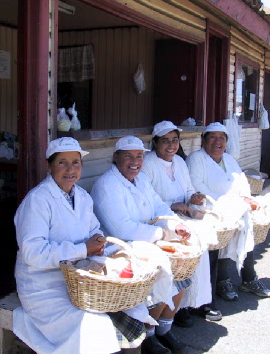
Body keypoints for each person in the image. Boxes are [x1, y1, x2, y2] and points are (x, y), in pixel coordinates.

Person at [13, 137, 146, 354]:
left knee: (133, 307)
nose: (70, 169)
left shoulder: (82, 197)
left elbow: (95, 232)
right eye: (62, 162)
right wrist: (83, 249)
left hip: (80, 279)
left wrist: (107, 247)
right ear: (49, 166)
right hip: (44, 286)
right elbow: (32, 253)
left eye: (76, 162)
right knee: (95, 325)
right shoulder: (37, 200)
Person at [91, 135, 192, 354]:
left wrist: (175, 225)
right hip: (119, 249)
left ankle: (163, 330)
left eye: (139, 156)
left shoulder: (141, 179)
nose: (135, 161)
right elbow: (122, 229)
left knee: (181, 266)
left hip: (145, 241)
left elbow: (158, 206)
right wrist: (162, 233)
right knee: (161, 267)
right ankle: (147, 337)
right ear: (116, 158)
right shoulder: (107, 185)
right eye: (128, 156)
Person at [186, 122, 270, 314]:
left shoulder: (229, 160)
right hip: (208, 210)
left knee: (245, 226)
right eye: (213, 137)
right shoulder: (196, 159)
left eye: (222, 138)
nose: (218, 142)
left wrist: (245, 199)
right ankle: (222, 281)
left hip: (232, 209)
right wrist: (228, 204)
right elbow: (197, 185)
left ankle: (249, 278)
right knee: (222, 234)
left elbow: (241, 181)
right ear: (204, 140)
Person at [141, 121, 219, 325]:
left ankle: (194, 302)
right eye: (165, 141)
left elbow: (188, 189)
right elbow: (147, 201)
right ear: (155, 143)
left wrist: (194, 198)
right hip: (159, 220)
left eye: (174, 141)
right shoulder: (147, 164)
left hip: (181, 216)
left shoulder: (180, 162)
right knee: (190, 242)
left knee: (202, 240)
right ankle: (179, 307)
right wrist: (172, 205)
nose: (171, 145)